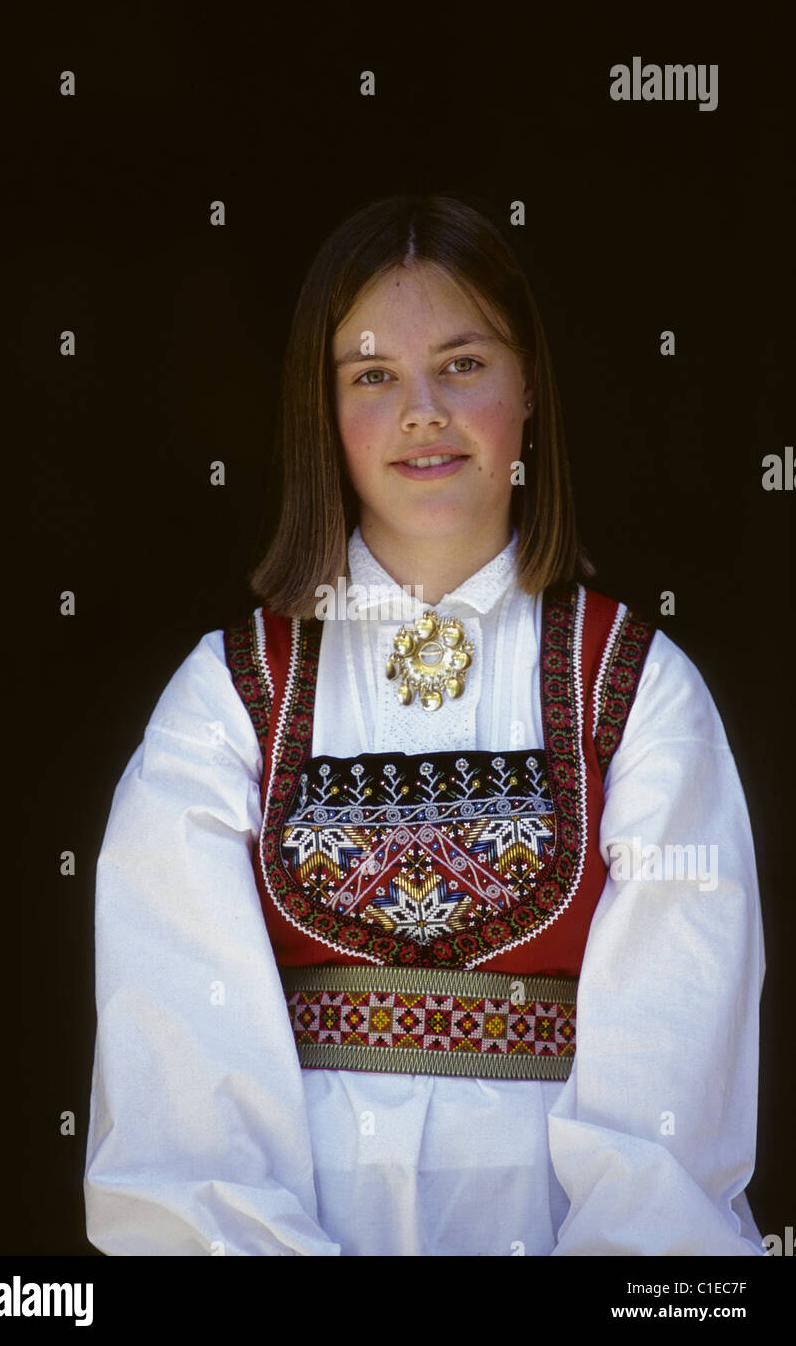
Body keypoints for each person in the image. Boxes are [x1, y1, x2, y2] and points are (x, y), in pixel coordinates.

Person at [83, 193, 766, 1256]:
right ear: (323, 411)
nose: (421, 410)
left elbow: (663, 1142)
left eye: (461, 364)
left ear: (527, 385)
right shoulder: (228, 699)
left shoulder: (633, 689)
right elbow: (185, 1128)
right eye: (371, 376)